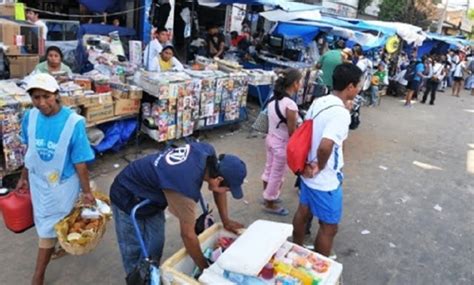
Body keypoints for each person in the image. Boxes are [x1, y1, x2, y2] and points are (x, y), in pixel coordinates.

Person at [110, 141, 246, 275]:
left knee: (155, 246)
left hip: (152, 194)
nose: (226, 192)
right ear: (218, 179)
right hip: (126, 194)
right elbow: (188, 235)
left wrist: (226, 220)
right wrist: (206, 270)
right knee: (133, 251)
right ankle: (137, 279)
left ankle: (151, 276)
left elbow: (218, 190)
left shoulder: (208, 153)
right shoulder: (185, 189)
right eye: (228, 189)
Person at [15, 73, 95, 285]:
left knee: (48, 229)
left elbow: (80, 162)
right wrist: (23, 177)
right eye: (36, 97)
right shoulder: (30, 117)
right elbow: (30, 150)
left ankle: (38, 275)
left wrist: (87, 192)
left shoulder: (73, 122)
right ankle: (60, 245)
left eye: (46, 96)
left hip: (61, 187)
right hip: (38, 182)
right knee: (52, 223)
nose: (41, 103)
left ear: (56, 94)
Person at [292, 63, 362, 257]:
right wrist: (320, 167)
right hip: (324, 179)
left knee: (303, 212)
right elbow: (325, 146)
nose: (359, 89)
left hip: (306, 171)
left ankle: (296, 249)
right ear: (350, 87)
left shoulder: (320, 101)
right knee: (329, 227)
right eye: (358, 85)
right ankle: (322, 263)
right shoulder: (340, 114)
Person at [261, 68, 301, 216]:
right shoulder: (290, 105)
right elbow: (292, 132)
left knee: (269, 169)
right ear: (295, 84)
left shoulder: (273, 99)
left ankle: (266, 195)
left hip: (270, 139)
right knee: (277, 174)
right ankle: (269, 202)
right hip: (281, 144)